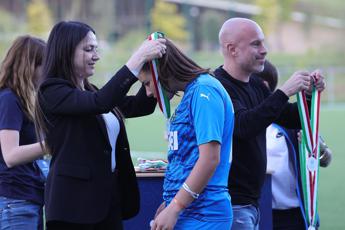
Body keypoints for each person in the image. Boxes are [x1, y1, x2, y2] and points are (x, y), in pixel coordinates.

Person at [34, 21, 166, 230]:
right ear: (65, 52)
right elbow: (101, 102)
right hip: (73, 208)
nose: (96, 56)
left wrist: (149, 70)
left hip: (107, 204)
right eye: (88, 49)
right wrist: (138, 57)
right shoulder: (52, 91)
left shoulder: (92, 91)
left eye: (96, 49)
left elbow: (140, 106)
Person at [214, 17, 326, 230]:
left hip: (252, 202)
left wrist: (310, 96)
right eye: (256, 44)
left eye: (263, 42)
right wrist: (284, 92)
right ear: (232, 49)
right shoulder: (218, 86)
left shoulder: (256, 85)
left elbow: (293, 118)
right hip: (230, 203)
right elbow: (243, 126)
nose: (265, 50)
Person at [137, 37, 234, 230]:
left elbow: (210, 159)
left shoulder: (204, 90)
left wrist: (176, 206)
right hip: (190, 211)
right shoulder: (193, 92)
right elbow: (187, 159)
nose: (147, 92)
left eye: (147, 83)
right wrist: (171, 202)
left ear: (161, 71)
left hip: (204, 214)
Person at [256, 60, 332, 230]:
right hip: (259, 213)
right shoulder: (244, 120)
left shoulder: (289, 118)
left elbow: (326, 159)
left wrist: (316, 145)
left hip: (295, 213)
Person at [0, 36, 46, 230]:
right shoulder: (9, 99)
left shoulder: (23, 100)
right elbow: (10, 155)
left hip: (26, 199)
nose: (48, 72)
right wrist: (53, 143)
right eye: (45, 65)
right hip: (15, 201)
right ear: (30, 66)